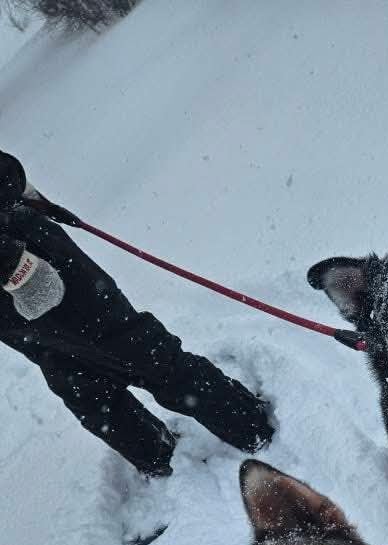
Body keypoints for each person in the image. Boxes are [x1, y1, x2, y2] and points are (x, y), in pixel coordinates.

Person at [0, 150, 273, 477]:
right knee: (143, 351)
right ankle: (248, 425)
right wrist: (16, 264)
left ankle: (157, 455)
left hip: (12, 302)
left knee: (71, 370)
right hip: (32, 264)